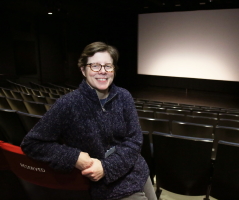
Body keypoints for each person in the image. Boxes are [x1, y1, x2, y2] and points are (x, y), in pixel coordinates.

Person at [21, 41, 157, 200]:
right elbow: (32, 143)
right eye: (95, 66)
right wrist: (74, 157)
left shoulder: (124, 96)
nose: (103, 71)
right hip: (111, 188)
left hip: (138, 171)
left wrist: (107, 167)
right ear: (83, 70)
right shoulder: (68, 104)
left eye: (108, 66)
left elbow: (135, 139)